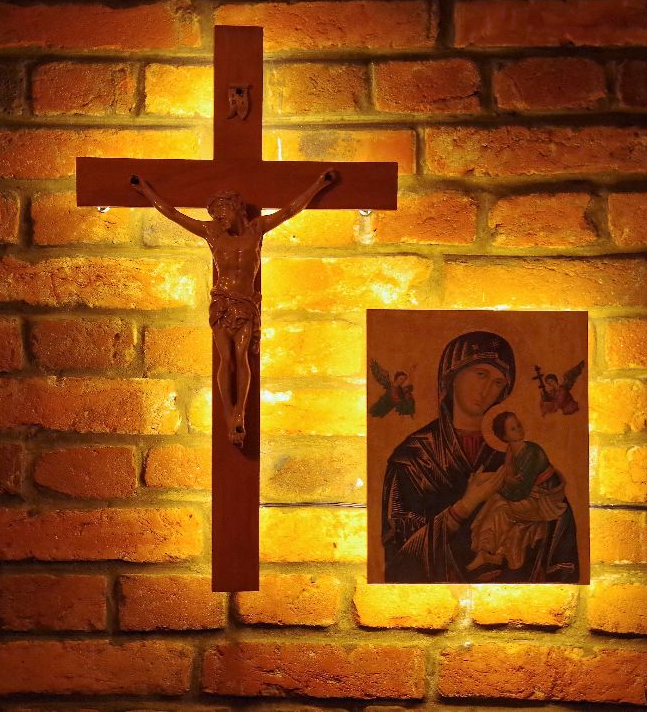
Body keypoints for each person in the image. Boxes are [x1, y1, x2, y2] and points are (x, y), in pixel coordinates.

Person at [131, 170, 337, 446]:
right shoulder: (212, 232)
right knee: (226, 359)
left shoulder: (257, 229)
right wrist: (146, 191)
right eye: (215, 216)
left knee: (242, 357)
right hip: (222, 302)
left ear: (235, 208)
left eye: (222, 213)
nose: (219, 219)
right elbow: (173, 214)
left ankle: (240, 411)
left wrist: (319, 184)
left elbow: (290, 210)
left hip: (245, 303)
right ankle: (230, 415)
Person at [380, 330, 578, 583]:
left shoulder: (516, 453)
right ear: (452, 376)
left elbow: (559, 521)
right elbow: (399, 556)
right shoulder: (412, 458)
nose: (487, 389)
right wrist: (465, 506)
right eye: (481, 374)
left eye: (498, 382)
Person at [466, 411, 578, 582]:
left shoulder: (532, 452)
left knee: (501, 507)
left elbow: (520, 492)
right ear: (504, 436)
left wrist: (499, 485)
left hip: (544, 500)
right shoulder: (511, 452)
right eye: (513, 428)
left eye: (518, 425)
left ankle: (489, 551)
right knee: (496, 502)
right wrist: (501, 482)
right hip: (529, 496)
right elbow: (511, 482)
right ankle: (485, 552)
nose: (519, 429)